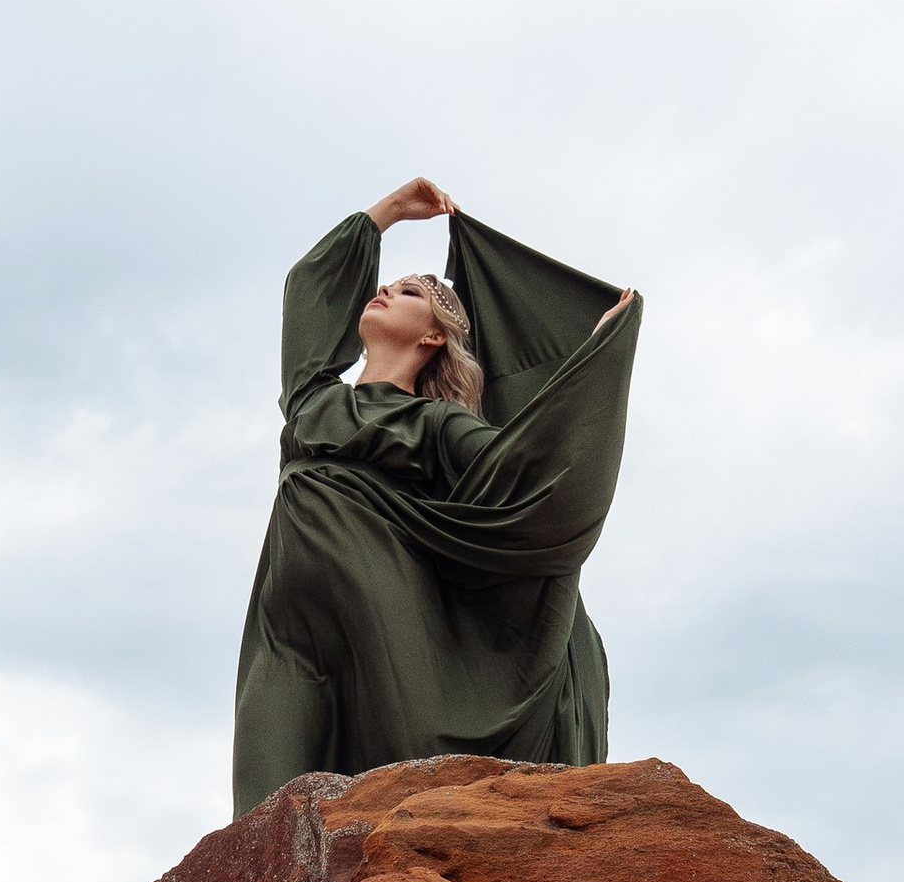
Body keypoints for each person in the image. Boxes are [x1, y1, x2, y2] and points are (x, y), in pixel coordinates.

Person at [230, 175, 640, 815]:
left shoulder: (441, 425)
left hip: (380, 618)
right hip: (286, 619)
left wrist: (595, 363)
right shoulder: (315, 400)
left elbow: (525, 475)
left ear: (434, 337)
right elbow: (308, 296)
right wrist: (387, 212)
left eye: (412, 290)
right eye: (389, 283)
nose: (387, 288)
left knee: (405, 784)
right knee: (263, 798)